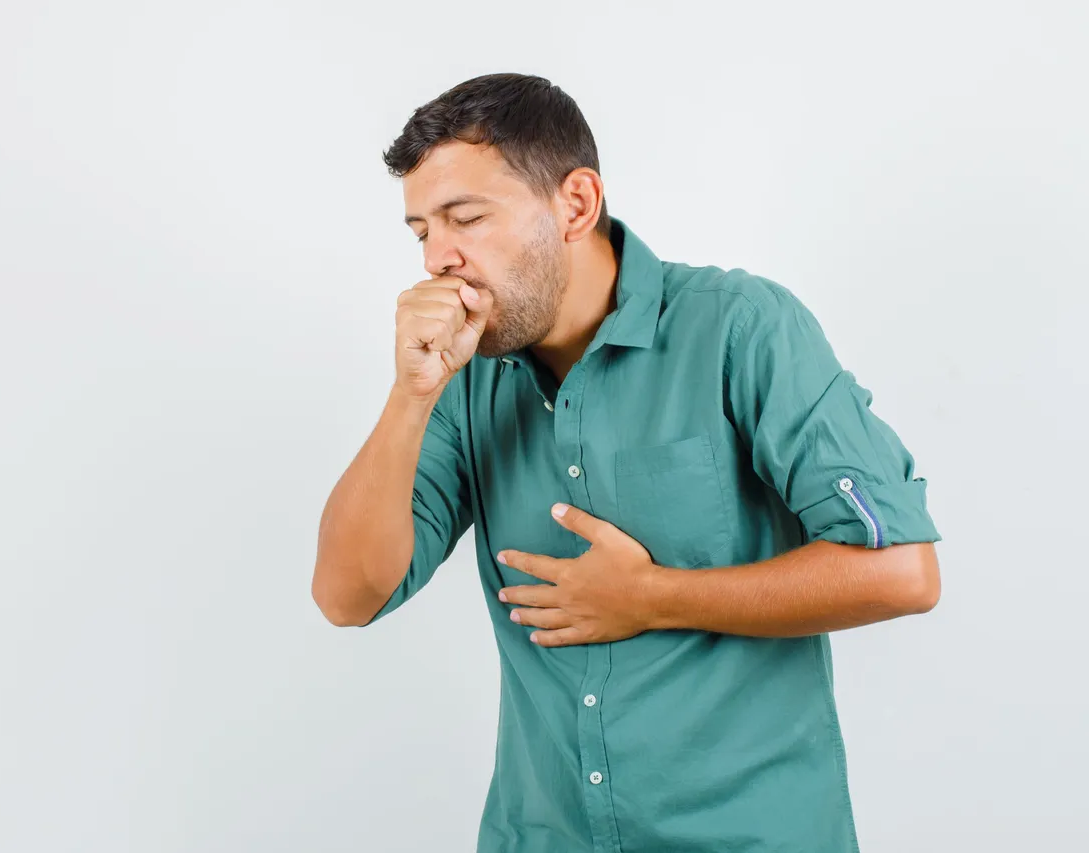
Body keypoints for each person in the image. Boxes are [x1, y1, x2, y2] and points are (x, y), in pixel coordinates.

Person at [311, 72, 941, 853]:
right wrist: (410, 395)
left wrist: (654, 596)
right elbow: (347, 594)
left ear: (575, 204)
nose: (441, 257)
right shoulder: (460, 376)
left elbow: (903, 571)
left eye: (465, 218)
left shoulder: (739, 328)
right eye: (421, 232)